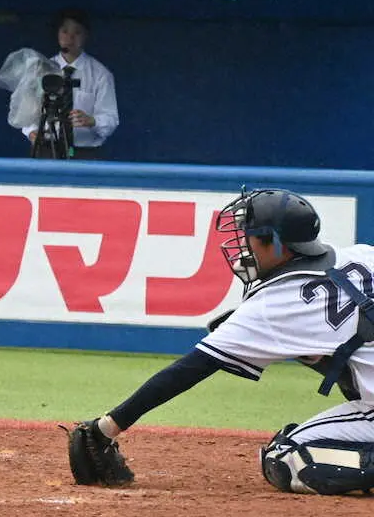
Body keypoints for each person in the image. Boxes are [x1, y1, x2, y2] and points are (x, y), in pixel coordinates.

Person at [67, 188, 374, 495]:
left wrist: (107, 427)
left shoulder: (271, 305)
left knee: (285, 458)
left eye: (249, 235)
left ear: (277, 244)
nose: (243, 245)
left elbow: (188, 371)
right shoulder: (362, 255)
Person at [24, 9, 118, 160]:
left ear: (86, 35)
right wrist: (31, 132)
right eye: (65, 31)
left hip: (84, 153)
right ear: (57, 34)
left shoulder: (101, 74)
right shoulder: (43, 69)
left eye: (77, 32)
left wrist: (92, 120)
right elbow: (28, 110)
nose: (70, 38)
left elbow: (111, 119)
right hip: (47, 149)